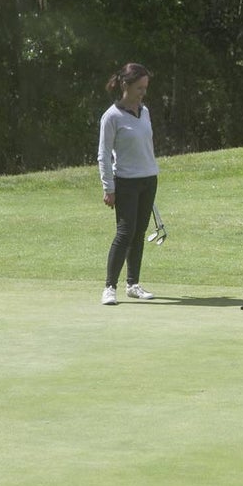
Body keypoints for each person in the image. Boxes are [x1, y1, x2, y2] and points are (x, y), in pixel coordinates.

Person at [97, 62, 160, 305]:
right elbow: (103, 154)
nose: (143, 92)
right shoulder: (111, 116)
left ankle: (132, 284)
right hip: (125, 182)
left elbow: (146, 146)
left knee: (139, 233)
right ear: (125, 85)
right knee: (125, 233)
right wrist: (108, 187)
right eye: (139, 87)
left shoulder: (144, 112)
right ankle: (109, 288)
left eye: (145, 87)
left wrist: (150, 171)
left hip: (148, 179)